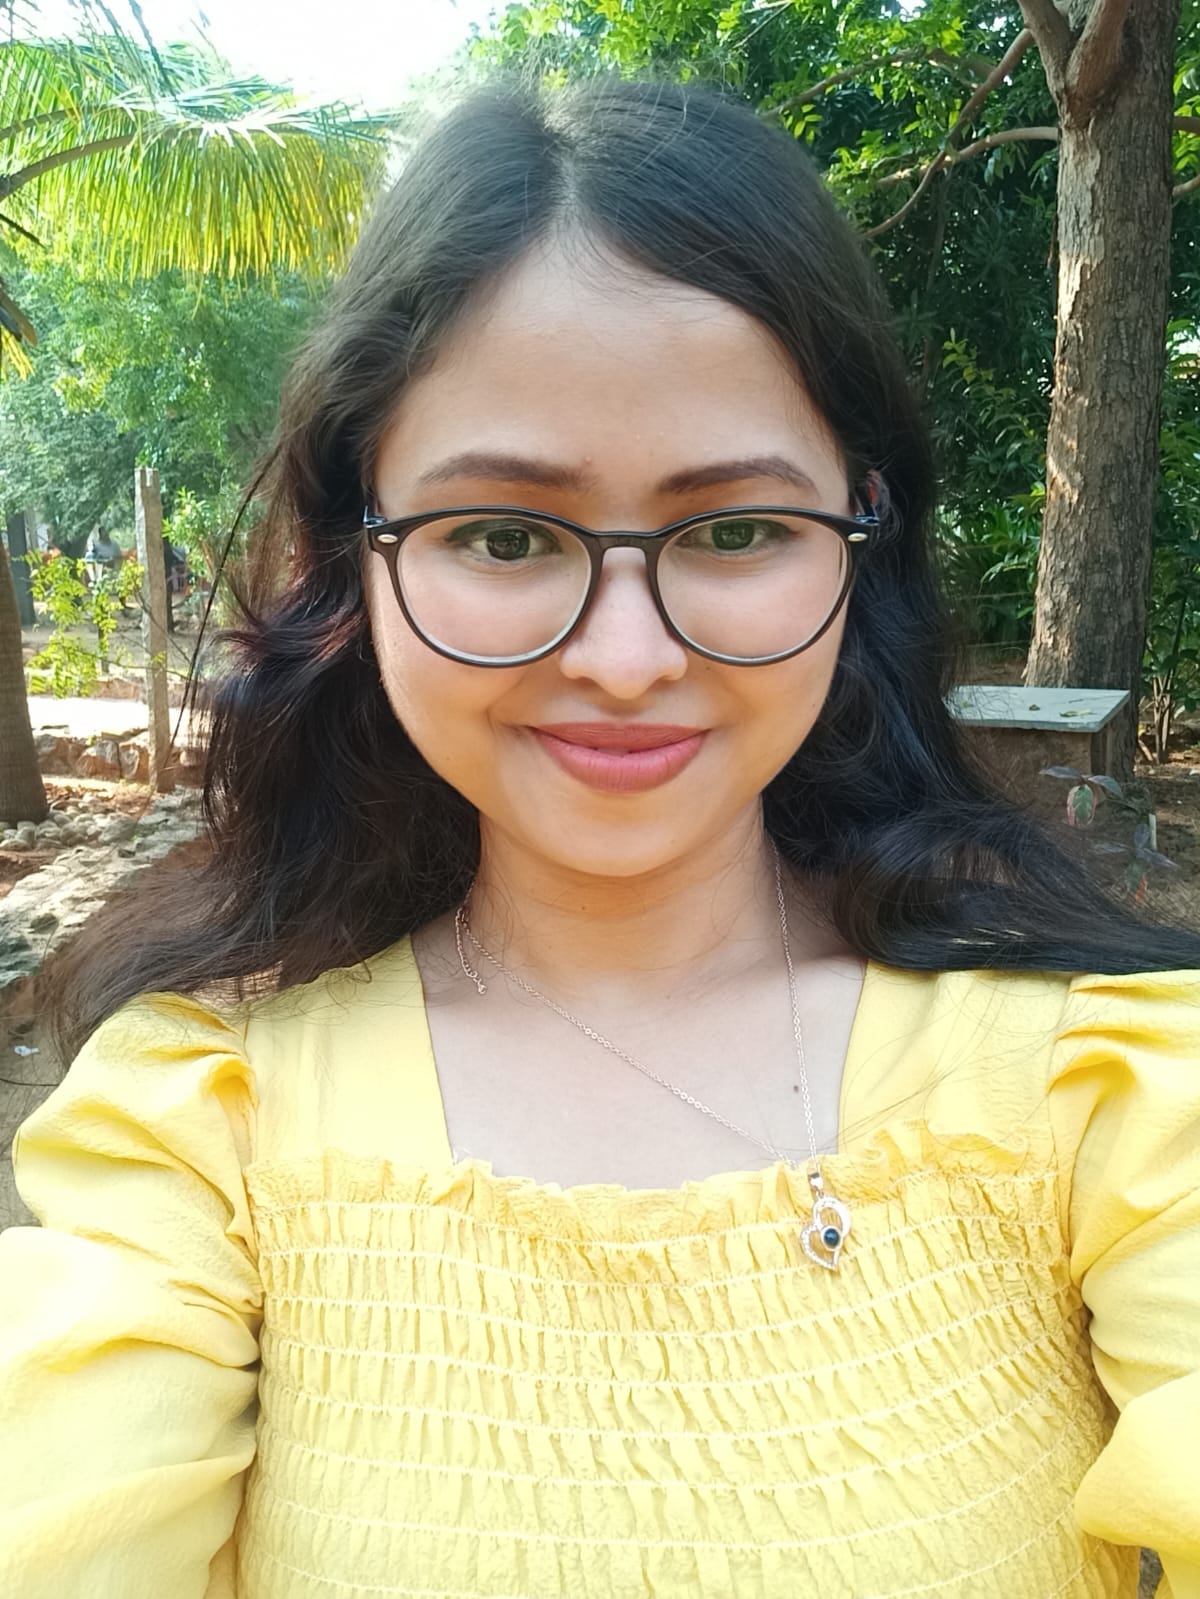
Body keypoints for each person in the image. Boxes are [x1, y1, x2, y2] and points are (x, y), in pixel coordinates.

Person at [1, 78, 1197, 1599]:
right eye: (504, 536)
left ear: (860, 534)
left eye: (736, 530)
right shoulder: (198, 1130)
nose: (626, 660)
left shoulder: (1110, 1086)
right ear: (359, 555)